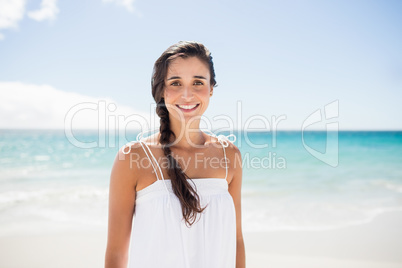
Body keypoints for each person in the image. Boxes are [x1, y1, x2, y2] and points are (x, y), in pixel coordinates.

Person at [105, 41, 245, 268]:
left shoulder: (230, 156)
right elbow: (116, 254)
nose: (187, 94)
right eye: (176, 83)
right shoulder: (132, 158)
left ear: (211, 89)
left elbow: (236, 240)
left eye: (198, 82)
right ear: (161, 90)